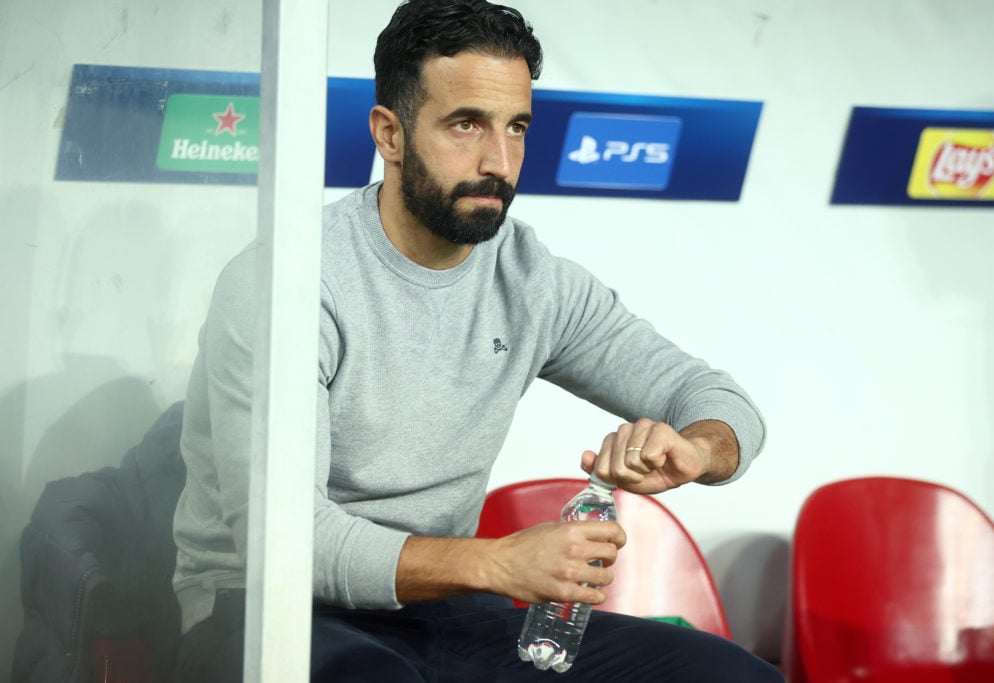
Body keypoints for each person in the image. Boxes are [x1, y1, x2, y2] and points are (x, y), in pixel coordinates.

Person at [172, 1, 782, 680]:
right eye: (466, 125)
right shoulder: (290, 282)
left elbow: (722, 401)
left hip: (441, 609)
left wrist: (697, 448)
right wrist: (497, 561)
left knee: (733, 675)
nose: (498, 160)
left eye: (515, 127)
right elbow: (282, 544)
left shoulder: (531, 279)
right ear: (390, 134)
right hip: (261, 611)